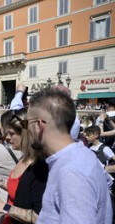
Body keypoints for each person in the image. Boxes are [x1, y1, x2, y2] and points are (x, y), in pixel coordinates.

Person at [27, 87, 112, 223]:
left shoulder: (71, 171)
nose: (26, 129)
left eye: (27, 123)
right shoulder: (81, 155)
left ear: (39, 124)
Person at [0, 109, 49, 224]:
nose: (7, 138)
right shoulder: (23, 158)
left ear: (25, 133)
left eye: (12, 133)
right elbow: (19, 191)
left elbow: (40, 217)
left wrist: (4, 207)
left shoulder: (39, 167)